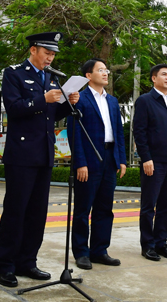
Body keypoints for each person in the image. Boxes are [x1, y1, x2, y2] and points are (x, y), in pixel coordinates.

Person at [0, 32, 79, 288]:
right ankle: (5, 265)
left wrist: (67, 103)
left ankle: (28, 261)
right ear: (33, 50)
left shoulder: (51, 77)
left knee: (37, 213)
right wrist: (43, 98)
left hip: (44, 153)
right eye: (46, 53)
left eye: (53, 54)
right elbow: (15, 109)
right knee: (16, 211)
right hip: (21, 154)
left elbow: (51, 116)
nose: (50, 58)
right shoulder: (14, 74)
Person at [68, 58, 127, 270]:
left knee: (105, 208)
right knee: (83, 209)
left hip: (110, 158)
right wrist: (80, 164)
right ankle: (81, 252)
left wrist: (121, 159)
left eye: (106, 70)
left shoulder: (112, 101)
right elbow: (74, 134)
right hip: (89, 160)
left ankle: (100, 250)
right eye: (100, 70)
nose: (105, 73)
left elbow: (119, 132)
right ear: (88, 75)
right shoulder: (79, 99)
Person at [132, 64, 167, 261]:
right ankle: (147, 245)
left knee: (166, 205)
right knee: (149, 206)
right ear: (153, 78)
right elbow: (139, 131)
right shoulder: (145, 101)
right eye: (164, 74)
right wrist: (146, 158)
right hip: (153, 163)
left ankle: (161, 242)